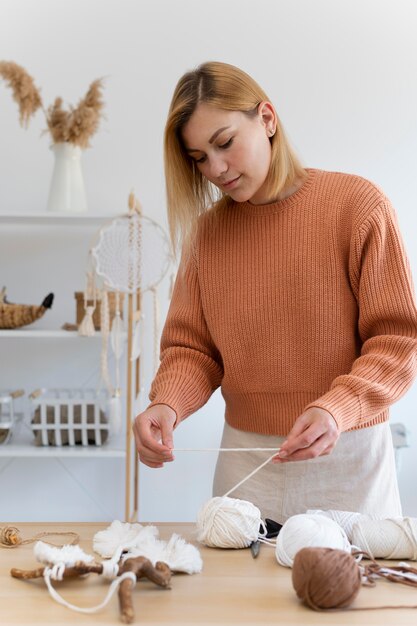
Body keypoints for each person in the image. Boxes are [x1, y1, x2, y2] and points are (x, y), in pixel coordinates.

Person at [133, 61, 417, 523]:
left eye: (224, 143)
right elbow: (192, 349)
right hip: (247, 474)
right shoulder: (207, 234)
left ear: (266, 118)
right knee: (240, 596)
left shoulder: (359, 207)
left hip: (347, 463)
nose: (216, 168)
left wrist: (337, 408)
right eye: (199, 158)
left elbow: (399, 340)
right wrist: (167, 404)